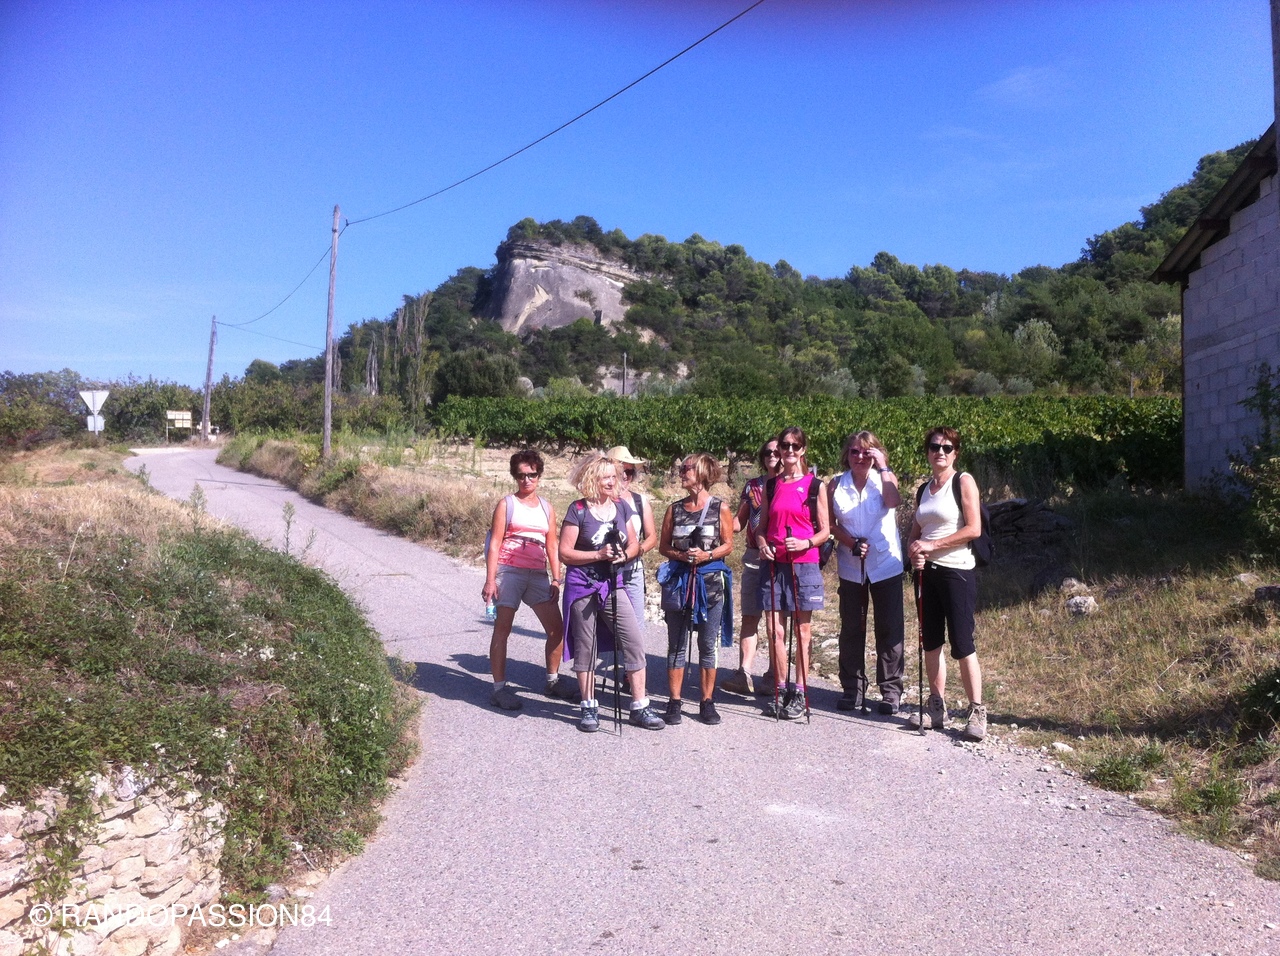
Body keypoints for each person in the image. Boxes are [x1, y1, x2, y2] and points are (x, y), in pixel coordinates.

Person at [560, 453, 665, 733]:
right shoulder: (578, 509)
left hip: (613, 583)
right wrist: (598, 554)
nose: (611, 482)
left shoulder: (620, 507)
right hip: (582, 585)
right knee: (586, 646)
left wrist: (624, 556)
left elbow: (634, 543)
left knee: (633, 640)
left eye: (614, 476)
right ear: (592, 479)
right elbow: (564, 553)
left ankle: (640, 706)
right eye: (605, 477)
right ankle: (588, 706)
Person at [906, 426, 986, 741]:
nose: (940, 452)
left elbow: (973, 529)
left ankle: (976, 711)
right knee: (931, 641)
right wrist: (915, 553)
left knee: (962, 642)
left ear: (956, 452)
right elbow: (915, 535)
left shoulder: (963, 481)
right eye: (934, 446)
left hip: (957, 572)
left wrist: (932, 546)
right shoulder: (924, 489)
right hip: (927, 573)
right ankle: (937, 706)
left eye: (947, 447)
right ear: (927, 451)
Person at [482, 450, 574, 711]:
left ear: (539, 476)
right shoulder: (507, 504)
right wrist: (490, 580)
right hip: (509, 571)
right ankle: (499, 689)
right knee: (503, 629)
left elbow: (552, 544)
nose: (527, 480)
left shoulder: (546, 507)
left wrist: (556, 579)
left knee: (556, 629)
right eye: (521, 475)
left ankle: (552, 681)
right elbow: (495, 543)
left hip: (537, 574)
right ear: (515, 476)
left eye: (532, 475)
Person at [755, 426, 830, 720]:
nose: (788, 451)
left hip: (804, 563)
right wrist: (763, 545)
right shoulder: (771, 486)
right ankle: (780, 688)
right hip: (774, 564)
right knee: (774, 630)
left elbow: (825, 531)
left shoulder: (815, 486)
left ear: (802, 450)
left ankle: (799, 691)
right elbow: (761, 529)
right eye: (784, 446)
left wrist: (805, 543)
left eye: (794, 446)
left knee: (802, 630)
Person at [827, 431, 904, 714]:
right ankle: (853, 689)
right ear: (846, 455)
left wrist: (882, 466)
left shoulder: (885, 478)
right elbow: (829, 523)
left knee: (889, 628)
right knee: (851, 628)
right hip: (852, 565)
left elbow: (893, 502)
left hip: (885, 564)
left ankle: (890, 692)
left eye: (866, 452)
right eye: (854, 452)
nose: (860, 457)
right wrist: (851, 543)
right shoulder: (835, 484)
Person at [657, 453, 734, 726]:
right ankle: (674, 701)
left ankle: (707, 701)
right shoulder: (674, 509)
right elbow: (663, 546)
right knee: (676, 644)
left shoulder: (720, 508)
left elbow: (728, 545)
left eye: (685, 468)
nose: (681, 473)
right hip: (680, 584)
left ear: (701, 472)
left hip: (710, 584)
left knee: (707, 645)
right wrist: (681, 556)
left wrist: (706, 556)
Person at [723, 439, 782, 696]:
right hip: (754, 556)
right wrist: (718, 519)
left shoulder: (790, 486)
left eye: (777, 452)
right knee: (750, 614)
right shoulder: (753, 486)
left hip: (780, 558)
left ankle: (774, 675)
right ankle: (743, 673)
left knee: (775, 620)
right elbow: (739, 522)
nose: (772, 455)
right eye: (767, 452)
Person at [606, 445, 658, 621]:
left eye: (629, 472)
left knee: (635, 624)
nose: (625, 476)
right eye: (622, 471)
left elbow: (652, 537)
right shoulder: (599, 500)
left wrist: (636, 551)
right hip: (604, 569)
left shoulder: (639, 501)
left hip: (632, 571)